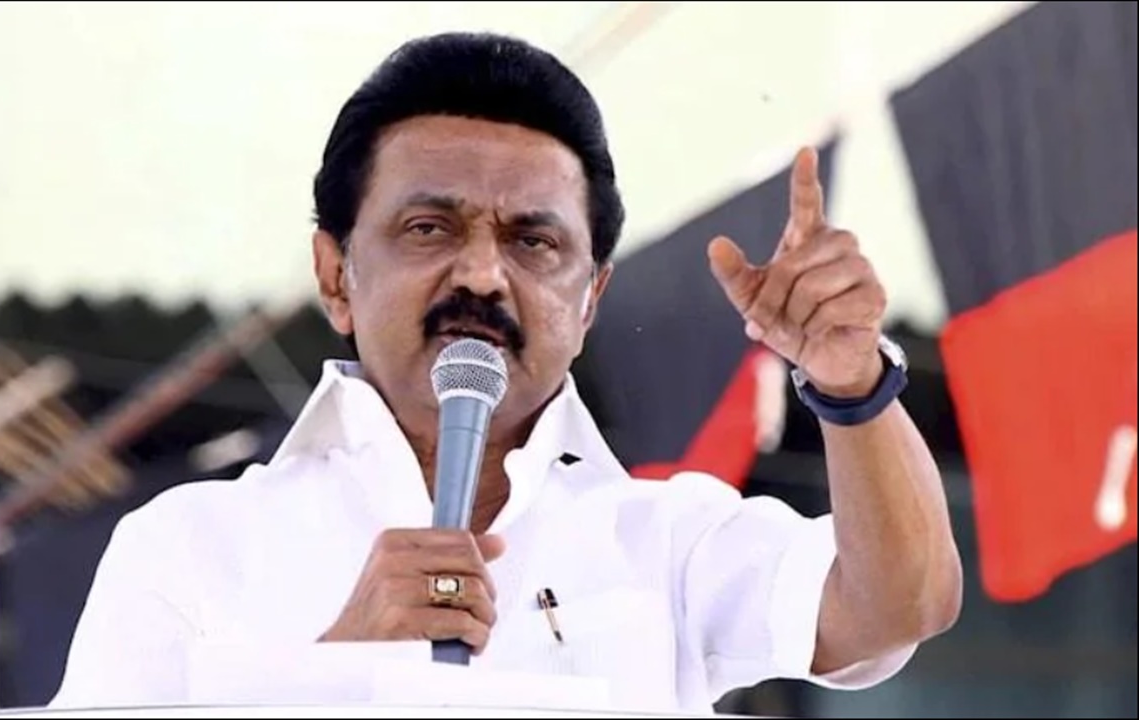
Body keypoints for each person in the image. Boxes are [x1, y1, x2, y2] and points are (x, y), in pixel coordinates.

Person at [52, 31, 962, 714]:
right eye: (429, 229)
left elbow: (901, 606)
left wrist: (853, 383)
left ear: (591, 297)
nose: (484, 275)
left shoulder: (666, 540)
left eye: (534, 241)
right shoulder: (189, 546)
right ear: (334, 275)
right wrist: (335, 669)